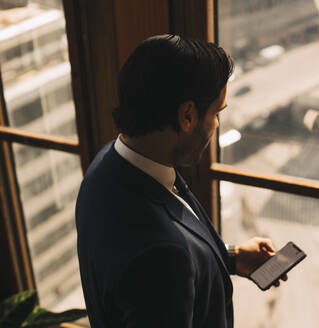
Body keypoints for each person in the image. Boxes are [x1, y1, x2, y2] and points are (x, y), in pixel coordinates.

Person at [75, 34, 287, 328]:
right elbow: (159, 262)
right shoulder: (162, 256)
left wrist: (230, 258)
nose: (215, 125)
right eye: (216, 113)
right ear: (187, 115)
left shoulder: (107, 164)